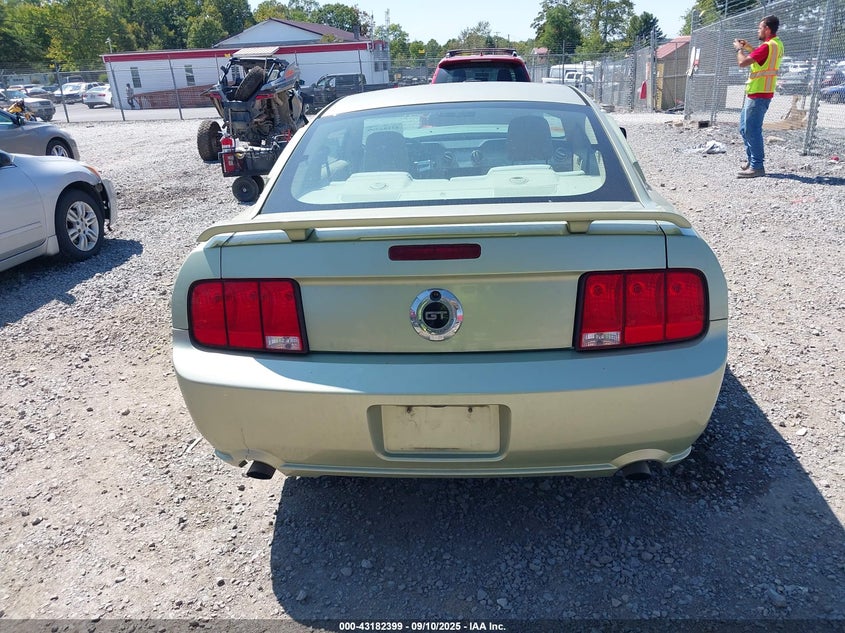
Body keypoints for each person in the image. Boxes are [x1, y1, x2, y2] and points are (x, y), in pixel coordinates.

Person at [734, 15, 784, 178]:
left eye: (760, 27)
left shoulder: (767, 46)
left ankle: (757, 166)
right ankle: (752, 161)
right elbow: (761, 59)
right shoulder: (776, 44)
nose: (758, 30)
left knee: (752, 130)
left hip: (759, 95)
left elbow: (743, 63)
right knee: (744, 128)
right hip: (758, 93)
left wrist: (739, 49)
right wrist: (748, 46)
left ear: (767, 29)